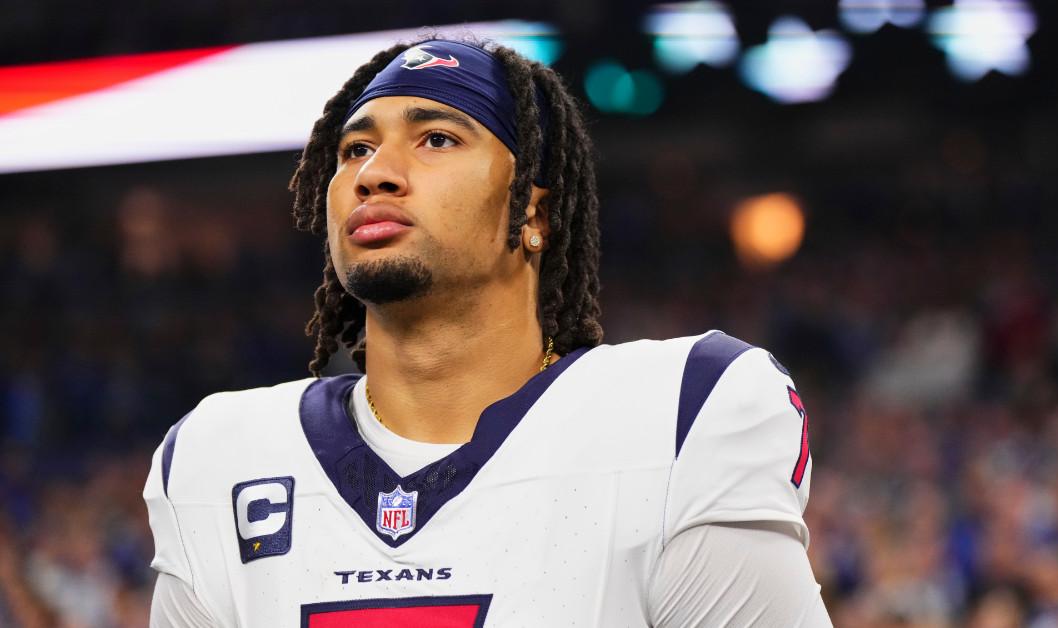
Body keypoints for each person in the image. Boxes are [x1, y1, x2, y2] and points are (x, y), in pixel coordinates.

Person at [144, 37, 832, 627]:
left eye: (436, 138)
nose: (374, 174)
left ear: (533, 210)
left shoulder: (683, 411)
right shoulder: (218, 455)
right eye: (355, 149)